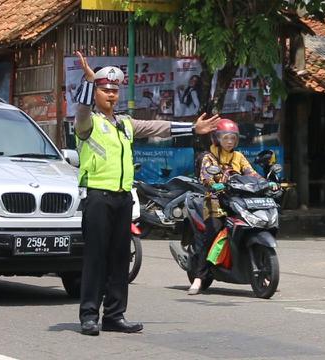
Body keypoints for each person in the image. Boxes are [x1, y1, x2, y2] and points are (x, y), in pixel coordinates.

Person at [73, 51, 220, 336]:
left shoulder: (125, 123)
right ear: (97, 93)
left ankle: (115, 315)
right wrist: (89, 81)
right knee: (95, 258)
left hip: (122, 197)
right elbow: (79, 109)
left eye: (115, 91)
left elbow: (157, 127)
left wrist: (192, 127)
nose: (111, 96)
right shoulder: (87, 123)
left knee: (119, 258)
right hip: (97, 198)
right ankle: (89, 316)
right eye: (105, 90)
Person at [188, 118, 278, 295]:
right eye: (226, 138)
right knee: (212, 235)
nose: (229, 142)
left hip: (237, 200)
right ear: (217, 139)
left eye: (233, 138)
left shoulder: (239, 156)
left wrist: (268, 183)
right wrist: (213, 184)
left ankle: (259, 267)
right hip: (215, 201)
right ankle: (199, 277)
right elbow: (205, 176)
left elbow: (251, 173)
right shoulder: (209, 157)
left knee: (253, 225)